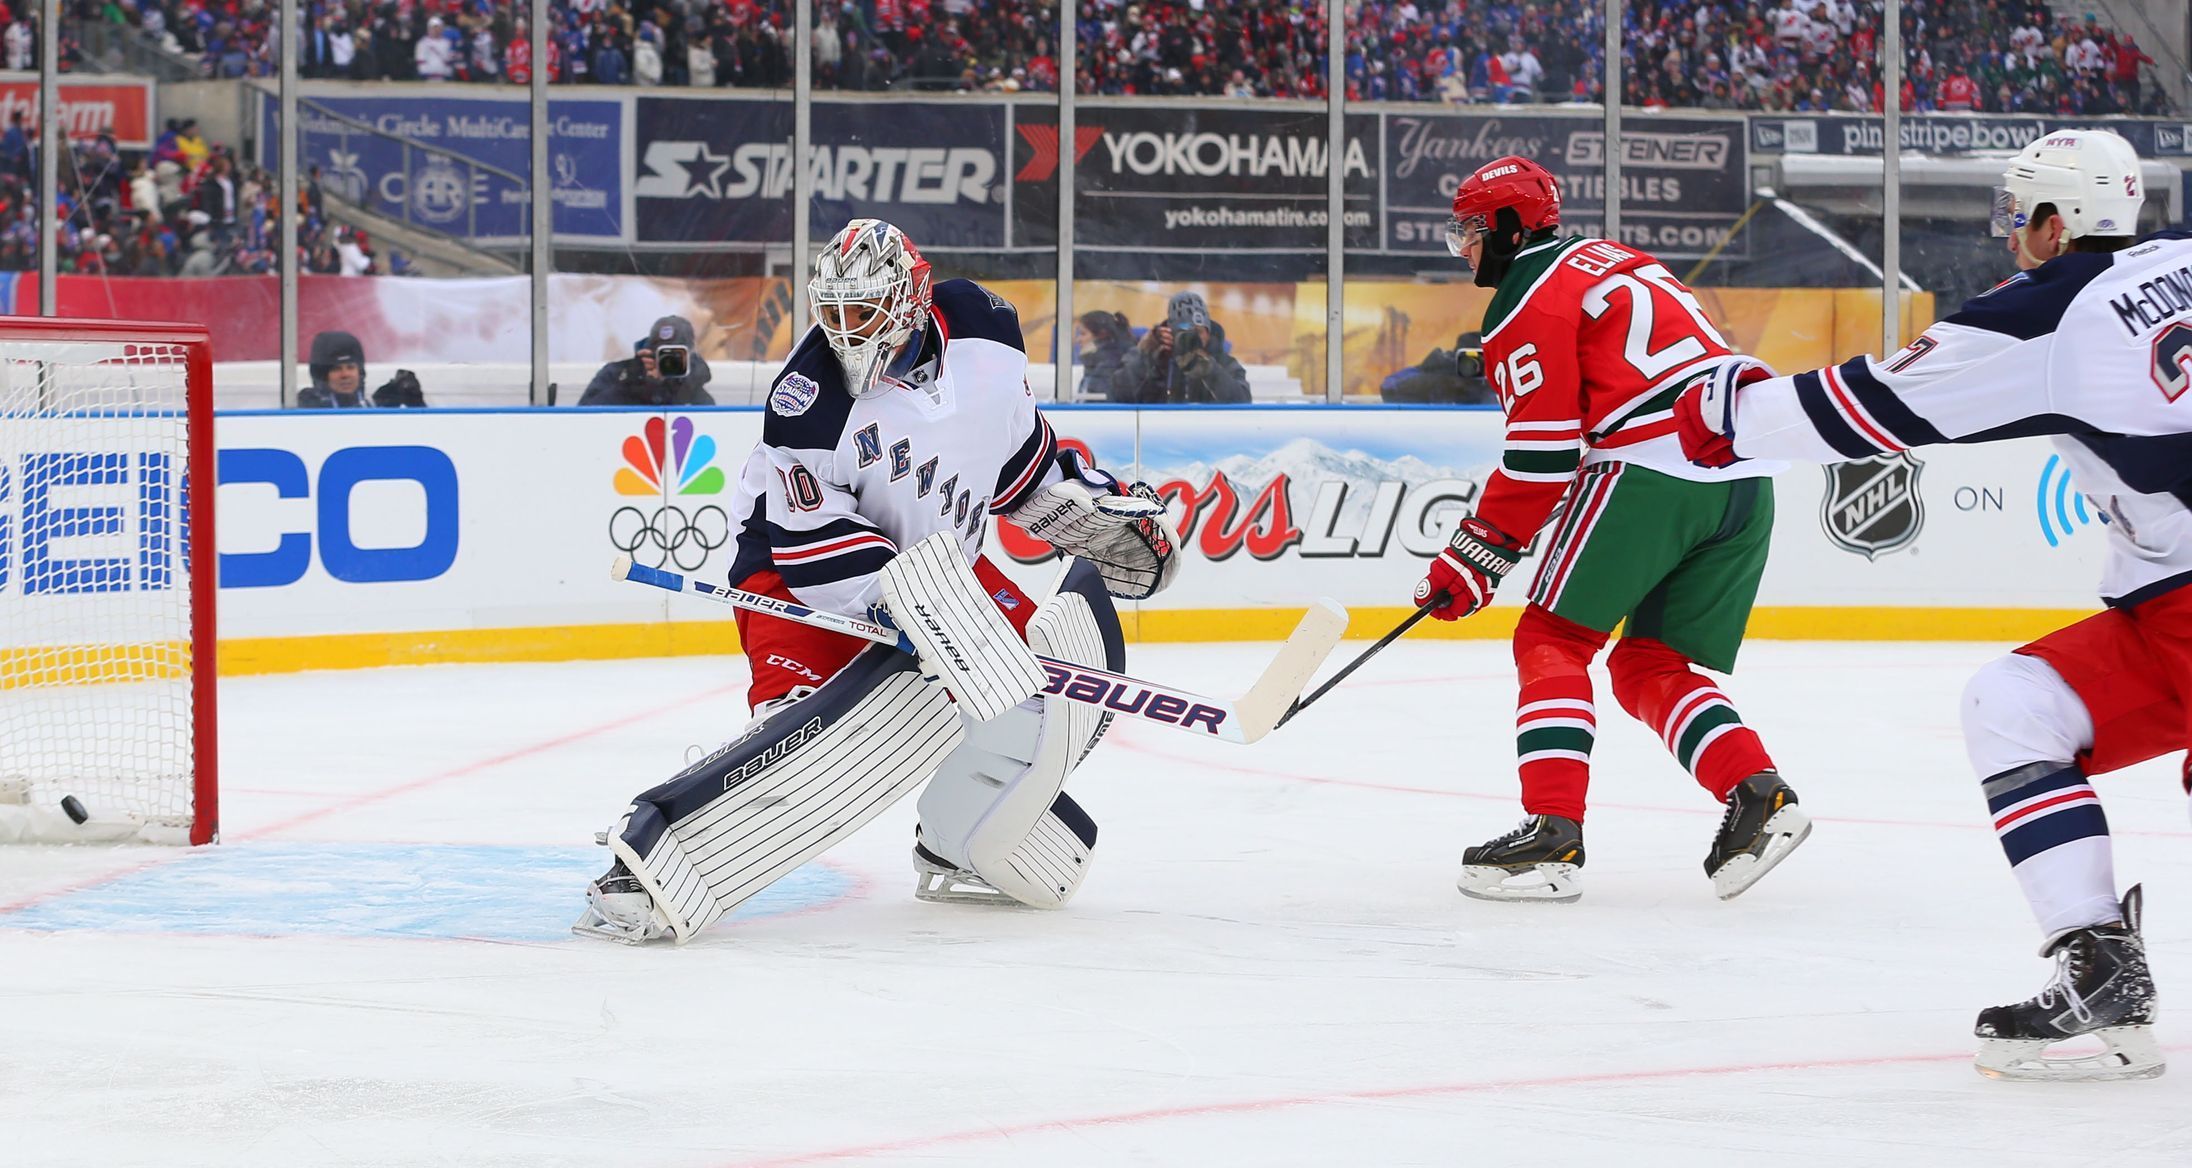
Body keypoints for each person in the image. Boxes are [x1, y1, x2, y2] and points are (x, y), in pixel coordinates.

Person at [1676, 128, 2188, 1083]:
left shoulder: (2054, 310)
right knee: (2016, 704)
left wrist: (1725, 419)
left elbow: (1873, 406)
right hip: (2166, 615)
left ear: (2053, 222)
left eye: (2018, 218)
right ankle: (2101, 966)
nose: (2008, 239)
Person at [575, 219, 1183, 945]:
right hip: (793, 575)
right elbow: (808, 543)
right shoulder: (807, 399)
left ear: (912, 299)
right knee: (814, 728)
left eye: (860, 312)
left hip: (942, 566)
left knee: (1047, 699)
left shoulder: (986, 333)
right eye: (830, 312)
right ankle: (653, 860)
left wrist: (1092, 513)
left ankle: (965, 834)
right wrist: (914, 604)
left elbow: (1022, 457)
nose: (842, 329)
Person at [1415, 156, 1808, 905]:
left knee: (1551, 641)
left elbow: (1542, 454)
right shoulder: (1620, 261)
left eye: (1469, 229)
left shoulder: (1527, 291)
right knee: (1649, 665)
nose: (1464, 248)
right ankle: (1759, 793)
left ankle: (1551, 834)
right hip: (1743, 475)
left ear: (1505, 226)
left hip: (1653, 468)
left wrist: (1470, 558)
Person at [1117, 291, 1250, 404]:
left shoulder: (1224, 362)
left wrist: (1210, 371)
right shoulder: (1158, 357)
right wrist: (1145, 354)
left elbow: (1242, 402)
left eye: (1197, 332)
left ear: (1208, 333)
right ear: (1170, 332)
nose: (1192, 338)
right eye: (1183, 332)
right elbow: (1118, 395)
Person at [576, 315, 716, 406]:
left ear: (689, 356)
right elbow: (584, 418)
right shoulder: (617, 374)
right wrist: (634, 381)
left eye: (675, 355)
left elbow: (711, 426)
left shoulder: (692, 387)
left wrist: (684, 385)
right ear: (649, 351)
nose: (668, 362)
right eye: (661, 354)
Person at [297, 329, 427, 408]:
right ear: (321, 375)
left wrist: (416, 405)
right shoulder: (307, 407)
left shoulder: (369, 406)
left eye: (351, 367)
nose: (345, 374)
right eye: (336, 369)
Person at [1379, 330, 1496, 404]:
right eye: (1467, 361)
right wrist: (1440, 370)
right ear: (1457, 357)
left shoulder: (1500, 384)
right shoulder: (1445, 378)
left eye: (1483, 361)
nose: (1476, 367)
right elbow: (1388, 387)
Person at [1072, 309, 1135, 401]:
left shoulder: (1107, 369)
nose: (1078, 339)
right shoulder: (1095, 365)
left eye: (1083, 334)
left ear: (1102, 335)